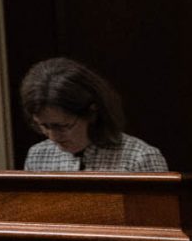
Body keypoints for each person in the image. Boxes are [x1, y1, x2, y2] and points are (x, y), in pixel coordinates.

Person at [20, 58, 168, 172]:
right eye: (44, 126)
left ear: (92, 113)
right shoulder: (37, 155)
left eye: (63, 126)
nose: (53, 136)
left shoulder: (139, 158)